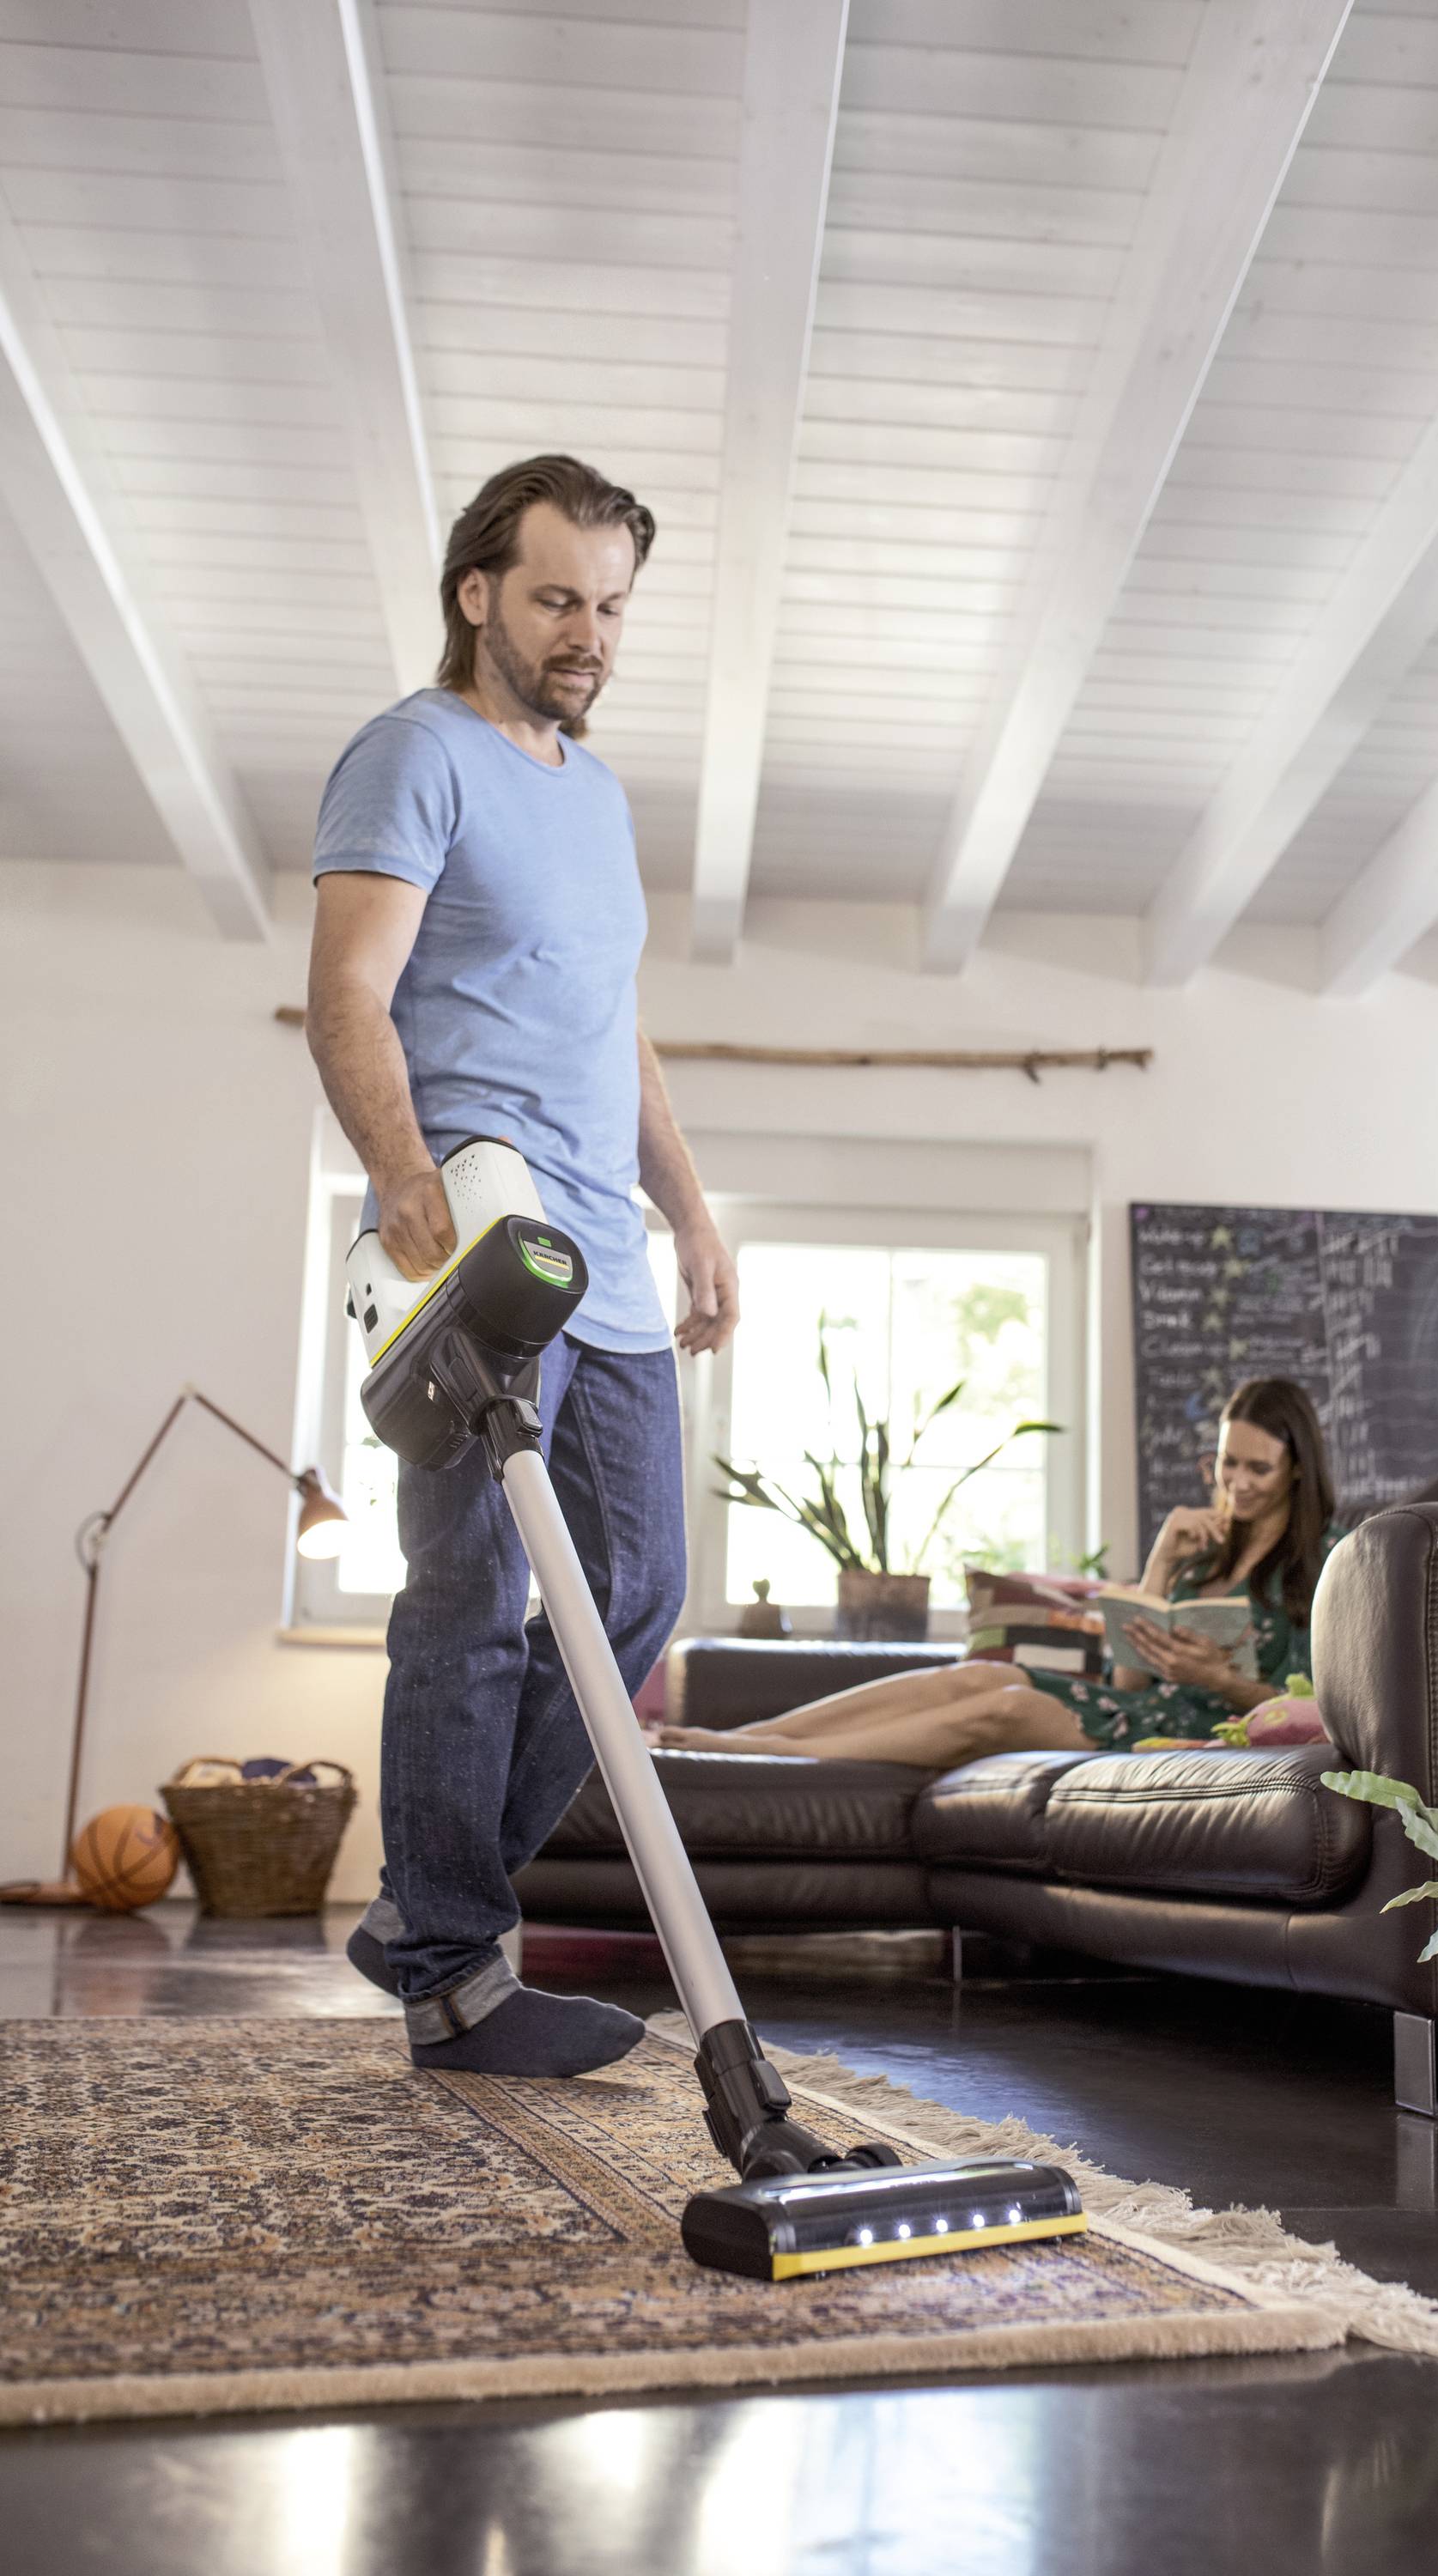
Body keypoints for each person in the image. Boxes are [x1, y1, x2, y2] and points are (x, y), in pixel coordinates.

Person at [306, 453, 737, 2079]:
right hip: (477, 1231)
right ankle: (451, 1964)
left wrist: (686, 1209)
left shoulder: (596, 796)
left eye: (613, 605)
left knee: (635, 1590)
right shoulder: (412, 755)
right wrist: (399, 1174)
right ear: (477, 591)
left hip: (606, 1264)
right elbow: (350, 987)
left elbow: (610, 1031)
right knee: (479, 1593)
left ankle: (436, 1911)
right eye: (560, 597)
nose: (589, 633)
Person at [658, 1378, 1341, 1766]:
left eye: (1258, 1469)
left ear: (1298, 1468)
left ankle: (784, 1753)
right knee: (981, 1675)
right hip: (1138, 1704)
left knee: (1004, 1709)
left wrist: (1216, 1679)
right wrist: (1162, 1557)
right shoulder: (1203, 1547)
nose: (1237, 1483)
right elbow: (1128, 1679)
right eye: (1228, 1463)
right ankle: (740, 1740)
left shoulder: (1328, 1565)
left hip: (1203, 1729)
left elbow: (1326, 1715)